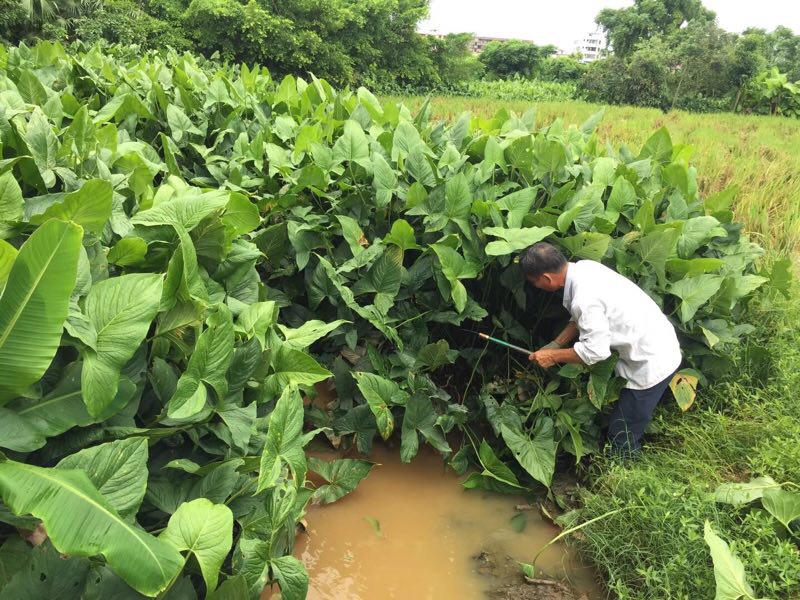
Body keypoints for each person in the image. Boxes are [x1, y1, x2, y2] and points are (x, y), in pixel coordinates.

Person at [520, 242, 682, 455]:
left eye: (535, 283)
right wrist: (557, 343)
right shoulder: (585, 268)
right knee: (626, 416)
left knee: (621, 432)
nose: (537, 287)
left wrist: (553, 356)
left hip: (651, 359)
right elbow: (582, 319)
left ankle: (628, 475)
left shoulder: (584, 298)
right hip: (656, 337)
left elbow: (595, 352)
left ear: (547, 278)